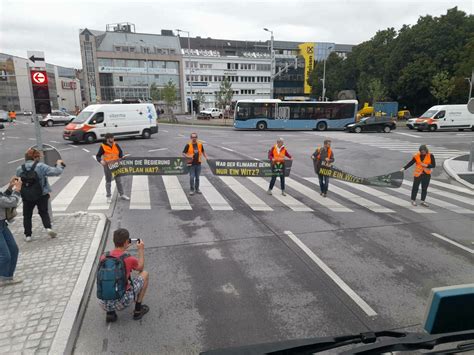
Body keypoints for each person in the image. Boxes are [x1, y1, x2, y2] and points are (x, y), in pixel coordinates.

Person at [98, 228, 149, 323]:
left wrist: (123, 247)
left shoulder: (104, 256)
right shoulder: (128, 258)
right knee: (145, 274)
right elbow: (141, 268)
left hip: (103, 302)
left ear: (114, 241)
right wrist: (141, 250)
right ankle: (138, 310)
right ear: (126, 241)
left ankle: (110, 313)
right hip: (122, 302)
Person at [16, 148, 65, 242]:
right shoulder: (40, 166)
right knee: (43, 212)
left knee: (27, 215)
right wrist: (59, 164)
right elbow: (56, 172)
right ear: (36, 157)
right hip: (41, 194)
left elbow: (19, 181)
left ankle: (28, 235)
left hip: (26, 195)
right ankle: (48, 228)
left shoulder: (19, 169)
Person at [0, 177, 22, 286]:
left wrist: (9, 187)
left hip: (2, 224)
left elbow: (3, 198)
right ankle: (2, 277)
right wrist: (17, 190)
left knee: (14, 249)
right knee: (5, 255)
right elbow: (11, 202)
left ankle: (7, 277)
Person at [96, 133, 130, 203]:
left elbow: (120, 153)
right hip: (108, 166)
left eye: (113, 138)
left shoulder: (116, 144)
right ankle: (108, 196)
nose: (113, 139)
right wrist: (101, 161)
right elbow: (98, 156)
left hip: (116, 165)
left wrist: (122, 156)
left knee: (118, 181)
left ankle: (122, 194)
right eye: (111, 138)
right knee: (108, 181)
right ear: (107, 139)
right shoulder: (103, 146)